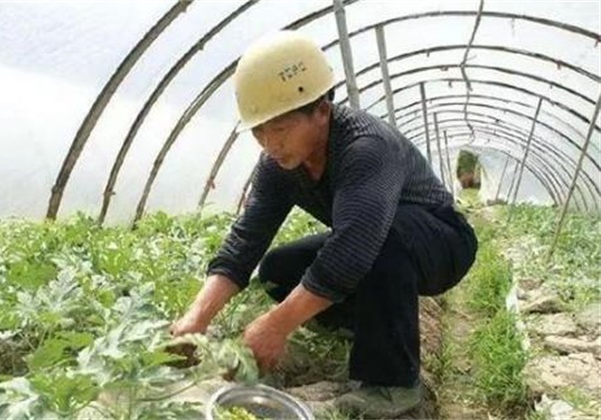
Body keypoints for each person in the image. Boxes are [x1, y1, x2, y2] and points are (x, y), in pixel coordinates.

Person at [171, 30, 478, 418]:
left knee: (379, 240)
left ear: (321, 110)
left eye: (280, 128)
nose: (270, 144)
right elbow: (245, 243)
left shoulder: (365, 148)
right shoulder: (277, 166)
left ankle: (393, 386)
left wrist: (276, 326)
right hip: (380, 243)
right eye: (259, 132)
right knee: (279, 268)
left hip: (442, 244)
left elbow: (352, 251)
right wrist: (195, 319)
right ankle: (368, 330)